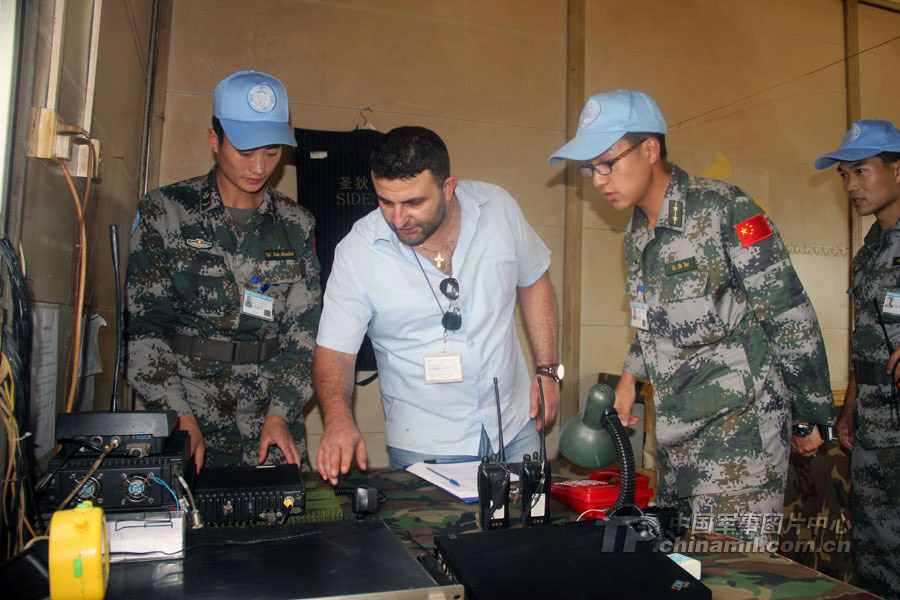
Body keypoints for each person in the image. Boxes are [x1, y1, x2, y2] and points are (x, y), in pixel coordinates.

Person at [549, 90, 835, 545]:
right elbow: (649, 317)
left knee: (737, 579)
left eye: (608, 162)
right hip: (678, 443)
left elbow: (788, 313)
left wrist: (812, 415)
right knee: (685, 572)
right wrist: (628, 377)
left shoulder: (725, 209)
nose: (599, 179)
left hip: (740, 441)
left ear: (650, 149)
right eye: (590, 168)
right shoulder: (637, 231)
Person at [314, 126, 561, 484]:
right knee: (433, 541)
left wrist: (548, 370)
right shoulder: (357, 253)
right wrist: (338, 418)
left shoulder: (498, 209)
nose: (398, 219)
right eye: (386, 201)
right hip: (426, 444)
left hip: (513, 423)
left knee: (525, 537)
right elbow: (335, 351)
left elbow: (535, 280)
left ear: (448, 188)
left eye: (414, 203)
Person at [126, 70, 321, 473]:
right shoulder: (167, 211)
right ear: (214, 141)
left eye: (271, 152)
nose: (259, 166)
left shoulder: (296, 223)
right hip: (188, 411)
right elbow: (145, 329)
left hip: (273, 421)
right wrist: (177, 416)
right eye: (245, 151)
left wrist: (282, 411)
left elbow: (305, 332)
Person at [817, 119, 900, 600]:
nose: (851, 185)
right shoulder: (870, 250)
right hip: (872, 421)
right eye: (844, 175)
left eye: (861, 171)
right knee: (873, 546)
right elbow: (864, 336)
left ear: (896, 169)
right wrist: (848, 406)